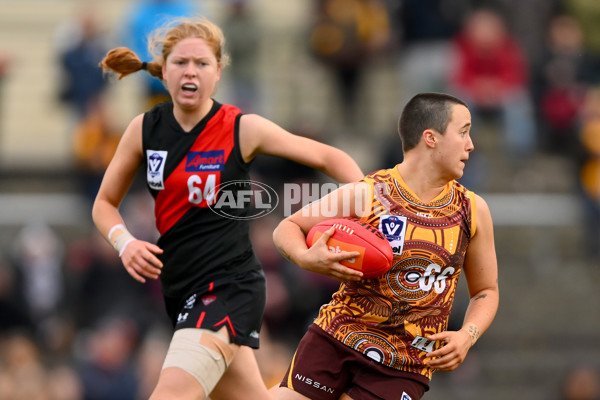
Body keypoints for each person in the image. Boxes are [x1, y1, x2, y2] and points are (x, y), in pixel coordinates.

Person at [92, 16, 364, 400]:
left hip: (228, 289)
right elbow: (104, 204)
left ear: (218, 73)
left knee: (169, 394)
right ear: (163, 72)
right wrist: (124, 242)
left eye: (202, 64)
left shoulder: (240, 128)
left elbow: (327, 156)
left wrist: (365, 203)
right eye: (180, 63)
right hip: (182, 293)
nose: (191, 72)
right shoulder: (144, 129)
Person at [272, 92, 499, 400]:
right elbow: (288, 227)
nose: (470, 144)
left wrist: (467, 336)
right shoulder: (367, 193)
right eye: (463, 132)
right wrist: (304, 257)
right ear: (430, 138)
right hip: (336, 338)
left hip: (404, 365)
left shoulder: (473, 210)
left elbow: (486, 290)